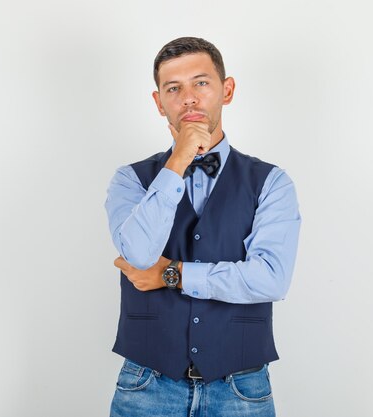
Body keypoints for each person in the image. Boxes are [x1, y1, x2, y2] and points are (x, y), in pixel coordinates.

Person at [104, 36, 301, 417]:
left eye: (201, 83)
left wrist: (172, 274)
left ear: (226, 90)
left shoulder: (272, 182)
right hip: (147, 385)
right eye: (173, 88)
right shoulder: (129, 180)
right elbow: (140, 255)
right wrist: (177, 162)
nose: (189, 98)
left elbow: (271, 279)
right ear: (159, 103)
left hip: (241, 388)